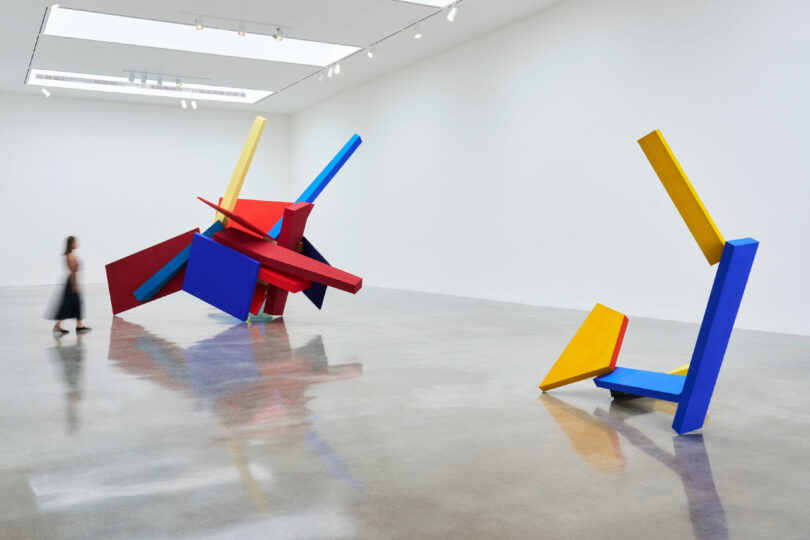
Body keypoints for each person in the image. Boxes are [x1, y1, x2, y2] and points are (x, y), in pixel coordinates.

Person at [51, 236, 91, 334]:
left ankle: (78, 325)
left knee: (74, 304)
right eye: (75, 242)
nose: (77, 243)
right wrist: (74, 286)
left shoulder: (70, 255)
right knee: (69, 304)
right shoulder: (70, 256)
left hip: (72, 281)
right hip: (72, 282)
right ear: (71, 244)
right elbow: (73, 271)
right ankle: (60, 325)